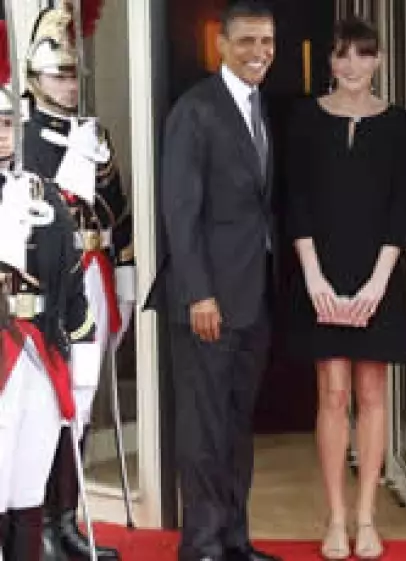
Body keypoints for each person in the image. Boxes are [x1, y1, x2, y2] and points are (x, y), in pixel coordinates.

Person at [143, 2, 280, 560]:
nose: (259, 53)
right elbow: (180, 211)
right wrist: (200, 292)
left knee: (235, 425)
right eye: (246, 41)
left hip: (251, 298)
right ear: (220, 45)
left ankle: (234, 539)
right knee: (202, 429)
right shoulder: (196, 109)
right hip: (208, 301)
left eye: (267, 42)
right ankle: (200, 545)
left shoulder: (256, 105)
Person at [286, 17, 406, 561]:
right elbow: (295, 202)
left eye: (364, 54)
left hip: (378, 275)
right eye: (343, 55)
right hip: (321, 274)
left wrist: (379, 283)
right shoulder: (304, 119)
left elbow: (400, 207)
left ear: (379, 60)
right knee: (333, 393)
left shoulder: (398, 123)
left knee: (372, 394)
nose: (353, 65)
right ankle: (336, 518)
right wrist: (314, 278)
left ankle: (367, 518)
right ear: (330, 62)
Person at [23, 4, 134, 559]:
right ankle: (36, 521)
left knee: (81, 404)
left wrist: (130, 274)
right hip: (42, 287)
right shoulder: (19, 135)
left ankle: (66, 519)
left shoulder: (95, 133)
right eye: (58, 75)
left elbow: (119, 211)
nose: (69, 85)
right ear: (33, 76)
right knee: (45, 402)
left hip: (93, 277)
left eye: (73, 75)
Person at [0, 58, 95, 560]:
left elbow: (71, 270)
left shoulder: (37, 190)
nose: (3, 132)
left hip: (38, 352)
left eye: (9, 121)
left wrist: (82, 343)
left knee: (27, 484)